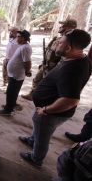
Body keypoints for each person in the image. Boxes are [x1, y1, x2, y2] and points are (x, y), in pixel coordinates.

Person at [19, 29, 92, 167]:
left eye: (60, 42)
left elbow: (71, 101)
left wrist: (46, 110)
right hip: (48, 109)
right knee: (39, 129)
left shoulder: (72, 70)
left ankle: (36, 158)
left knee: (43, 137)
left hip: (51, 113)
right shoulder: (81, 58)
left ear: (69, 47)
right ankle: (32, 140)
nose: (57, 43)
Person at [21, 19, 77, 101]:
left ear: (70, 28)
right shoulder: (58, 38)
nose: (61, 27)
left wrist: (56, 68)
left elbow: (65, 57)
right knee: (37, 79)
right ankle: (32, 94)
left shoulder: (70, 42)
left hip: (54, 67)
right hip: (46, 64)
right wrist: (44, 63)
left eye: (64, 25)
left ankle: (42, 99)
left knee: (47, 84)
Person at [0, 30, 32, 115]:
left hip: (17, 75)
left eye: (18, 36)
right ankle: (10, 105)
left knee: (11, 92)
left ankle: (8, 110)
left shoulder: (25, 48)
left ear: (23, 38)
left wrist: (27, 71)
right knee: (12, 91)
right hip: (14, 74)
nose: (16, 38)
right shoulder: (23, 46)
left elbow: (27, 62)